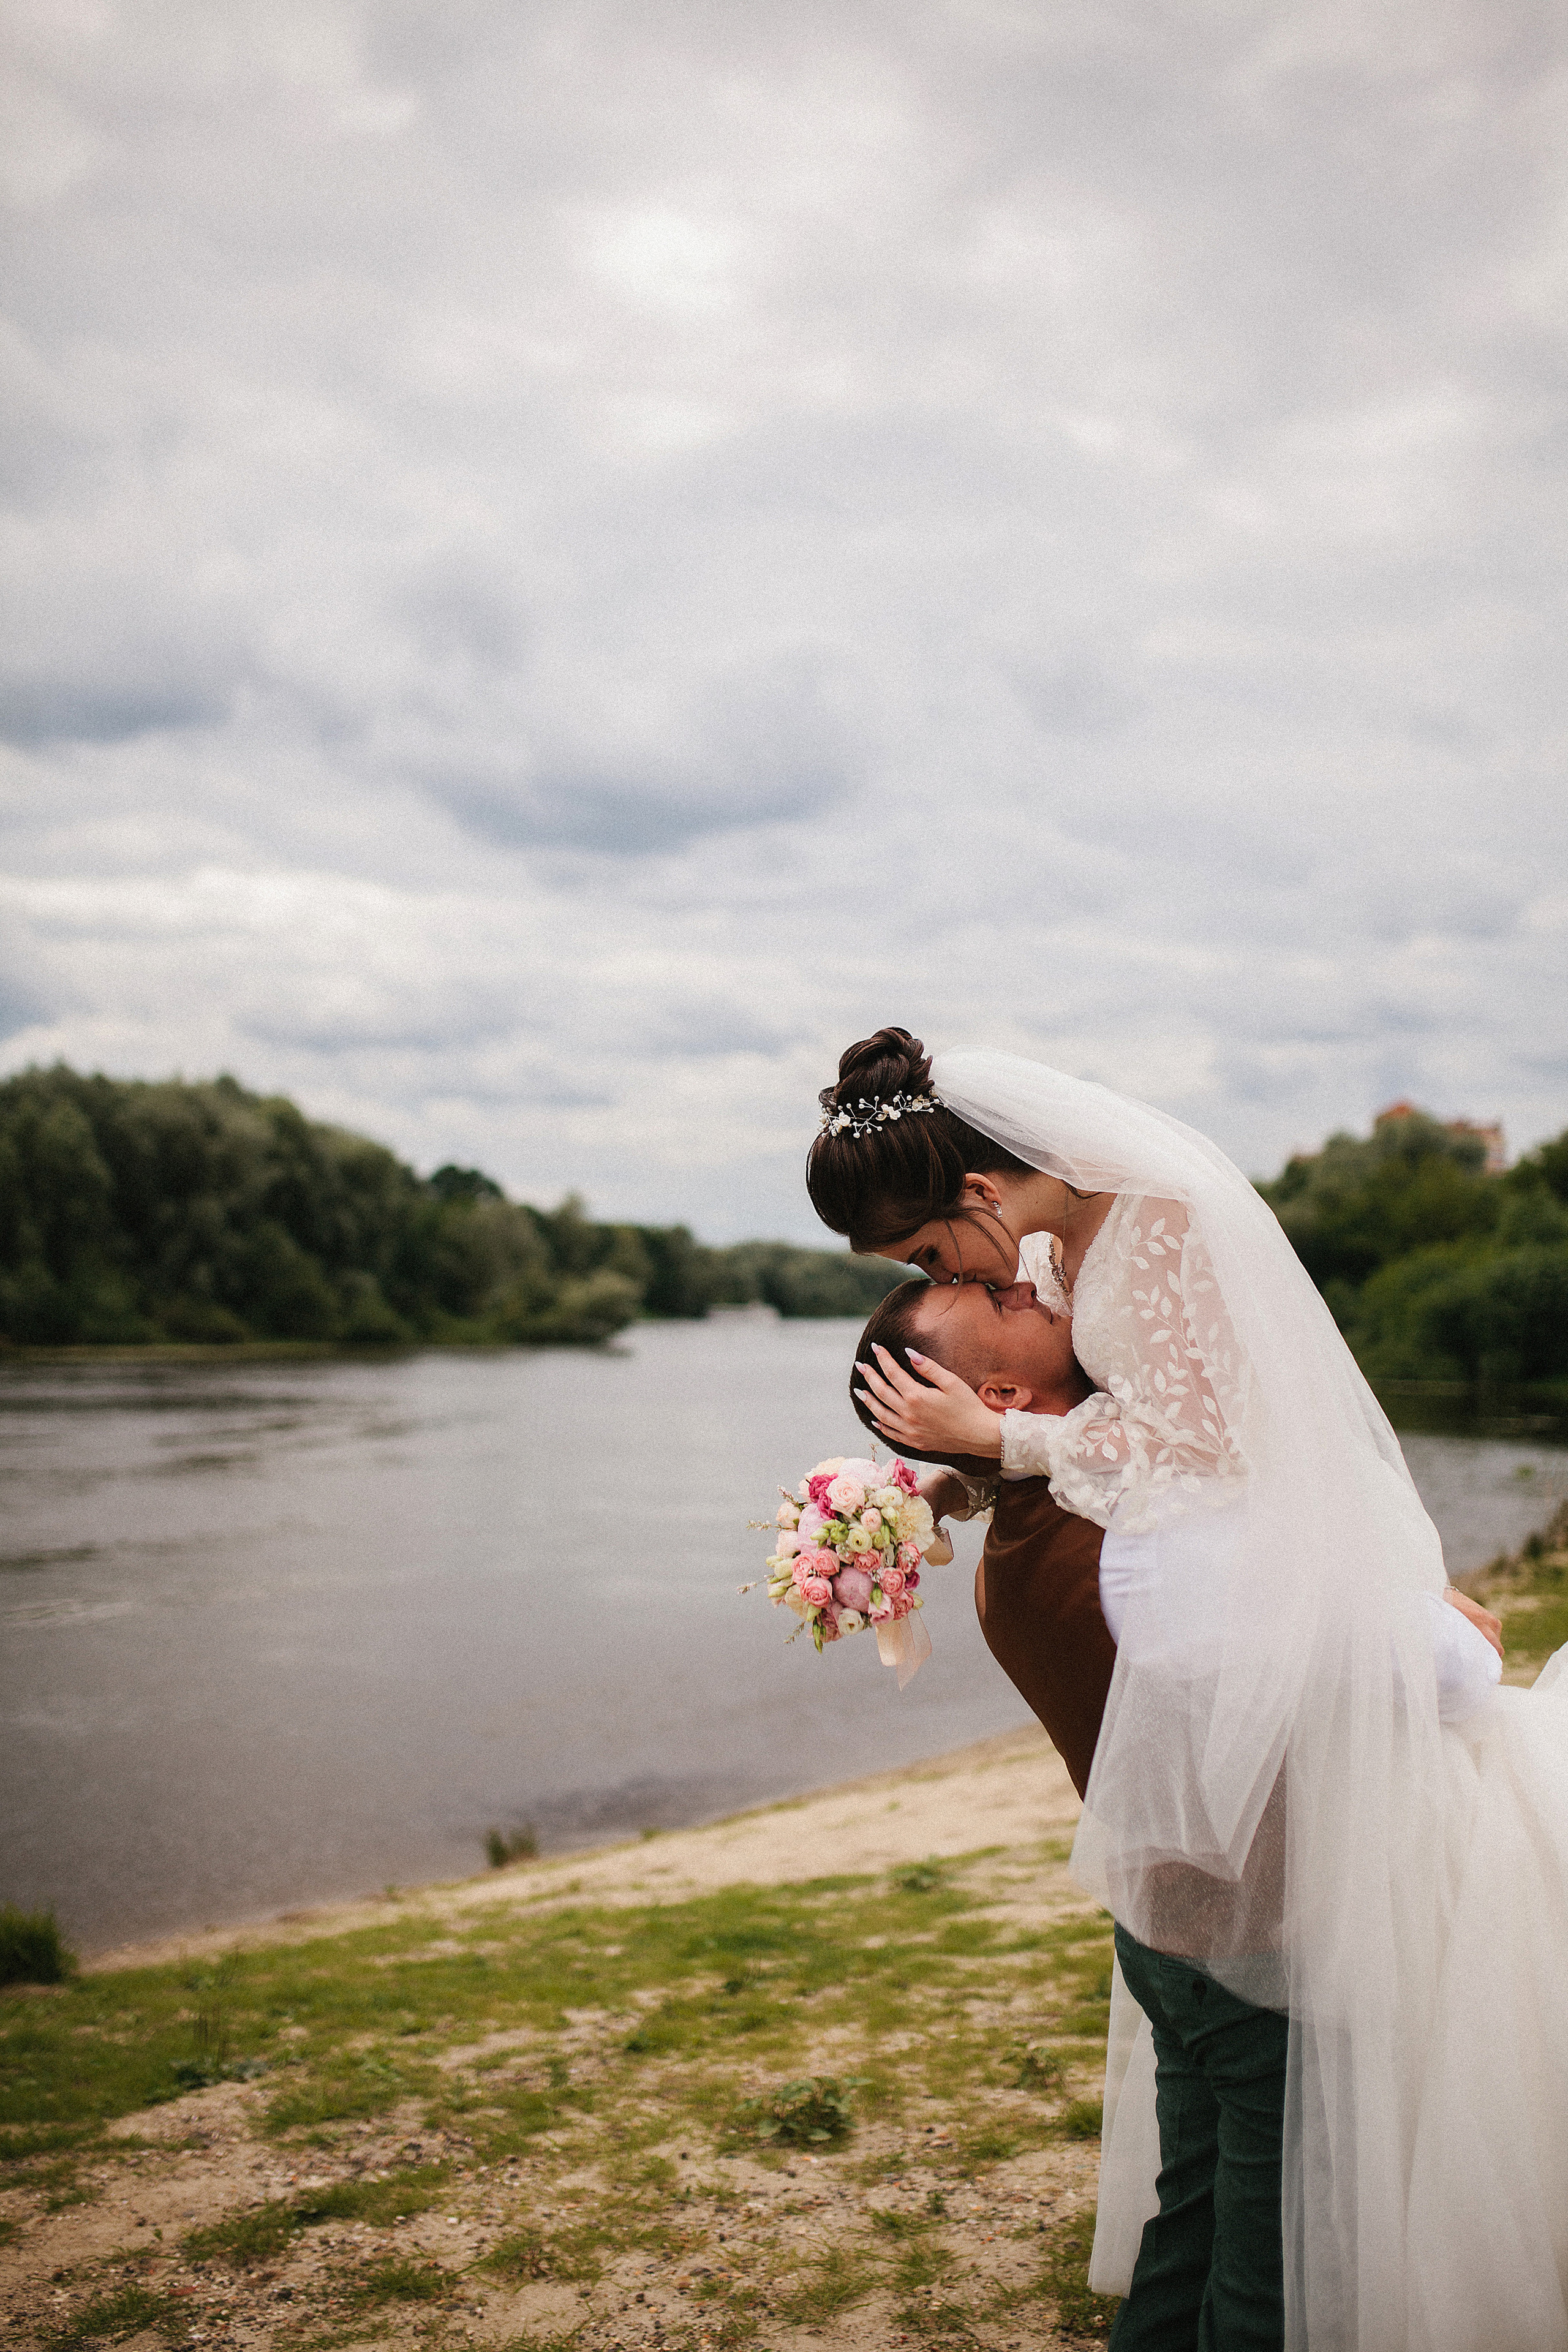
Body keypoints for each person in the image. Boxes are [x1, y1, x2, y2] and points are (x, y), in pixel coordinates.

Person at [807, 1027, 1568, 2352]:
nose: (968, 1276)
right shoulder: (1068, 1244)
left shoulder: (1155, 1224)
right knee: (1241, 2172)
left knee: (1218, 2172)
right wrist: (957, 1469)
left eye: (931, 1259)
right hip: (1219, 1814)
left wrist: (994, 1442)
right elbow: (1140, 1430)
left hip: (1217, 1781)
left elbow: (1213, 1447)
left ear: (978, 1195)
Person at [848, 1273, 1502, 2351]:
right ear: (1003, 1393)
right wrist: (1420, 1616)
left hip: (1164, 1925)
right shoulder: (1128, 1547)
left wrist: (962, 1477)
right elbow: (1413, 1668)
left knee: (1188, 2219)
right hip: (1257, 1945)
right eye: (1002, 1301)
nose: (1029, 1280)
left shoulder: (1021, 1536)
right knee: (1267, 2274)